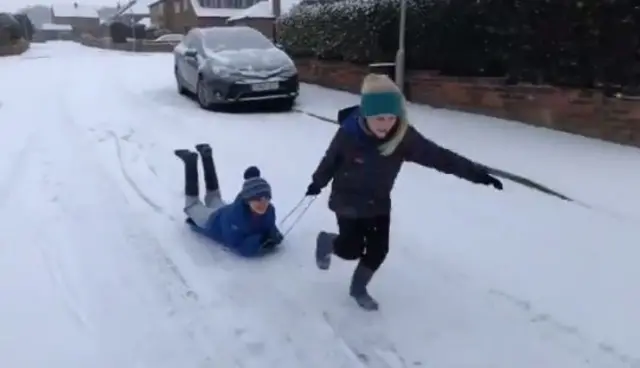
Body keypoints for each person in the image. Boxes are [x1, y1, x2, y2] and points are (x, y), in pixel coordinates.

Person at [305, 73, 503, 311]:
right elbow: (330, 160)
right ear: (366, 114)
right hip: (347, 201)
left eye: (391, 117)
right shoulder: (349, 134)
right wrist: (318, 182)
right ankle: (327, 241)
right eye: (379, 118)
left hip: (378, 203)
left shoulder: (402, 137)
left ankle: (358, 289)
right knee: (350, 250)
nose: (386, 124)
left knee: (379, 250)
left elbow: (439, 157)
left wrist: (478, 174)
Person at [174, 143, 283, 257]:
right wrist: (262, 240)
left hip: (224, 209)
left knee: (214, 197)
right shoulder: (236, 219)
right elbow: (238, 244)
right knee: (192, 205)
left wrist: (275, 234)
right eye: (257, 200)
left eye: (266, 199)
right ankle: (190, 162)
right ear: (247, 201)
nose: (263, 204)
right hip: (212, 220)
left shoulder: (270, 211)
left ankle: (207, 156)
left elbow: (270, 226)